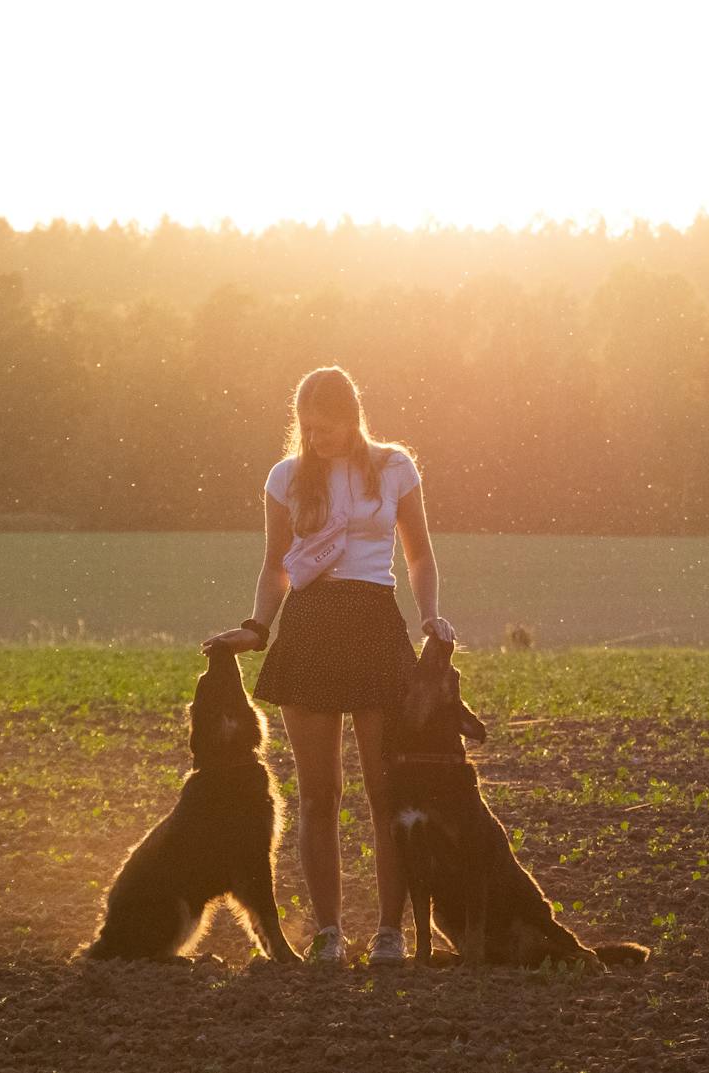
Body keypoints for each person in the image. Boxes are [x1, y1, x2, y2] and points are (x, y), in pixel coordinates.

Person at [202, 365, 454, 967]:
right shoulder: (286, 477)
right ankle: (330, 933)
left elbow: (419, 555)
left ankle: (390, 932)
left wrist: (431, 617)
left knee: (384, 792)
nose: (318, 440)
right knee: (319, 796)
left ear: (352, 417)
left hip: (375, 624)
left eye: (328, 428)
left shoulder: (394, 466)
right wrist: (257, 628)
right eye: (308, 429)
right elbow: (275, 566)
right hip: (310, 630)